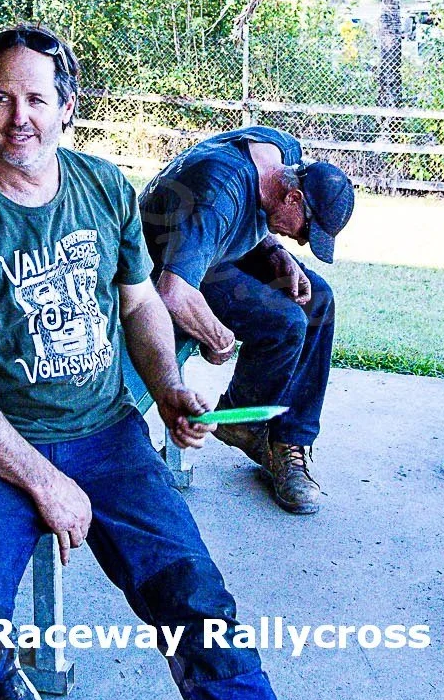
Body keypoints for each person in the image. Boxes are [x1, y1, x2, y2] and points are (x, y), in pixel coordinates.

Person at [0, 24, 280, 700]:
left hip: (105, 431)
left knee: (197, 603)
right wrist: (46, 481)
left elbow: (139, 303)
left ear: (67, 106)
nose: (20, 117)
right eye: (2, 99)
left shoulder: (103, 186)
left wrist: (167, 387)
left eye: (36, 99)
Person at [138, 127, 355, 514]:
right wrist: (217, 336)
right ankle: (239, 422)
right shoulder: (216, 196)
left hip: (216, 246)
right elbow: (173, 292)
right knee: (285, 322)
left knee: (317, 300)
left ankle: (289, 442)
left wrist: (275, 253)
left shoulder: (283, 153)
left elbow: (250, 210)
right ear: (294, 197)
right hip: (170, 263)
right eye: (306, 229)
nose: (301, 241)